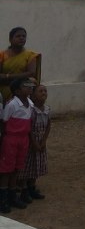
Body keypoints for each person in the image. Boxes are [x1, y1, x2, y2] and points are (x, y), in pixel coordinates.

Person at [0, 77, 34, 213]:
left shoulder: (30, 103)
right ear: (17, 91)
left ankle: (13, 196)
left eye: (30, 85)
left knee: (17, 168)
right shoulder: (12, 104)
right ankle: (3, 199)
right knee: (6, 169)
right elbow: (4, 122)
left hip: (23, 139)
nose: (30, 87)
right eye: (26, 85)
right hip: (11, 139)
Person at [21, 83, 51, 201]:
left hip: (41, 142)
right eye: (40, 91)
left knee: (36, 165)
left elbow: (48, 126)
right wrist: (34, 143)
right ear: (33, 96)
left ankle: (32, 187)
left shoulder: (47, 109)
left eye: (45, 91)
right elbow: (29, 128)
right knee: (27, 166)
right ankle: (24, 190)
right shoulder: (31, 110)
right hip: (31, 143)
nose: (44, 93)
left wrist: (43, 141)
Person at [0, 28, 40, 103]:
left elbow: (31, 73)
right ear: (10, 39)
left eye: (24, 36)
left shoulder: (30, 55)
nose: (21, 38)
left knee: (31, 81)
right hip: (5, 87)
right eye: (18, 36)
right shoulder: (2, 55)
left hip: (23, 86)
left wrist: (7, 76)